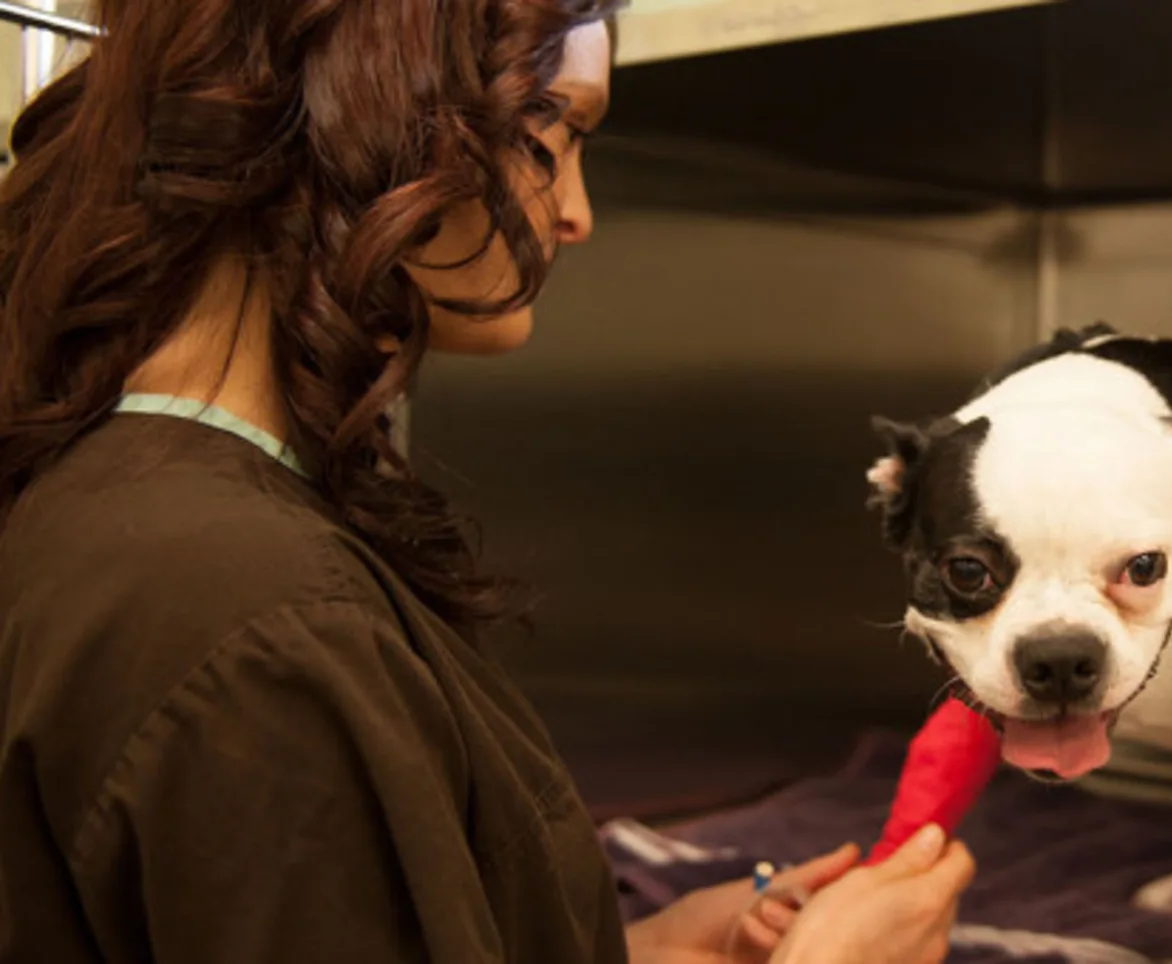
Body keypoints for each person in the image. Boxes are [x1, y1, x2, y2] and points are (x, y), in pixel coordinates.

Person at [0, 2, 976, 962]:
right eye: (553, 123)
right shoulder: (259, 624)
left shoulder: (133, 505)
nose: (579, 212)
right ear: (379, 96)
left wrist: (622, 948)